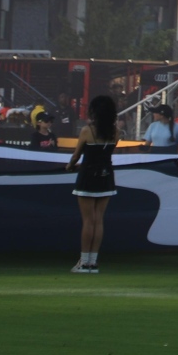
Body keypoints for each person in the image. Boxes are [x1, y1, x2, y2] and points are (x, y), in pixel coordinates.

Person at [66, 94, 119, 274]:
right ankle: (93, 262)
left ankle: (83, 262)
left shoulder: (87, 130)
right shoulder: (116, 132)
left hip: (88, 176)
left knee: (88, 220)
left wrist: (70, 166)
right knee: (98, 220)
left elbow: (76, 155)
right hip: (106, 176)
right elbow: (105, 154)